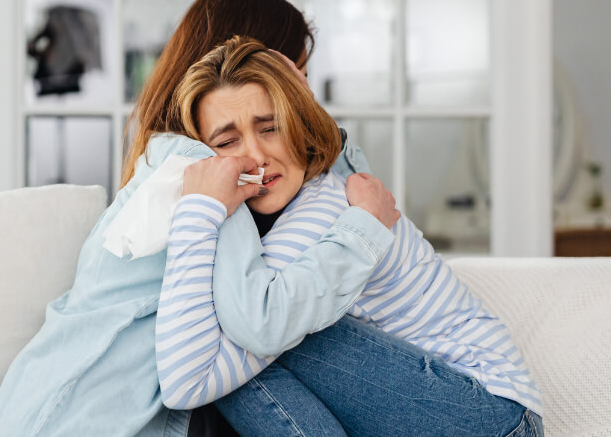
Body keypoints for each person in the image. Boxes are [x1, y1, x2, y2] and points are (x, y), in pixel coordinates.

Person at [0, 0, 398, 437]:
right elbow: (262, 321)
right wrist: (364, 232)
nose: (306, 92)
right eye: (300, 75)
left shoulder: (178, 155)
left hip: (45, 403)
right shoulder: (209, 172)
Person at [154, 36, 543, 436]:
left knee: (258, 331)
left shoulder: (324, 208)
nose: (255, 155)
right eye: (227, 142)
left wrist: (199, 210)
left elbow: (187, 382)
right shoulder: (277, 223)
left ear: (301, 126)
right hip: (450, 415)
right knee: (258, 329)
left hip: (489, 416)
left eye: (271, 128)